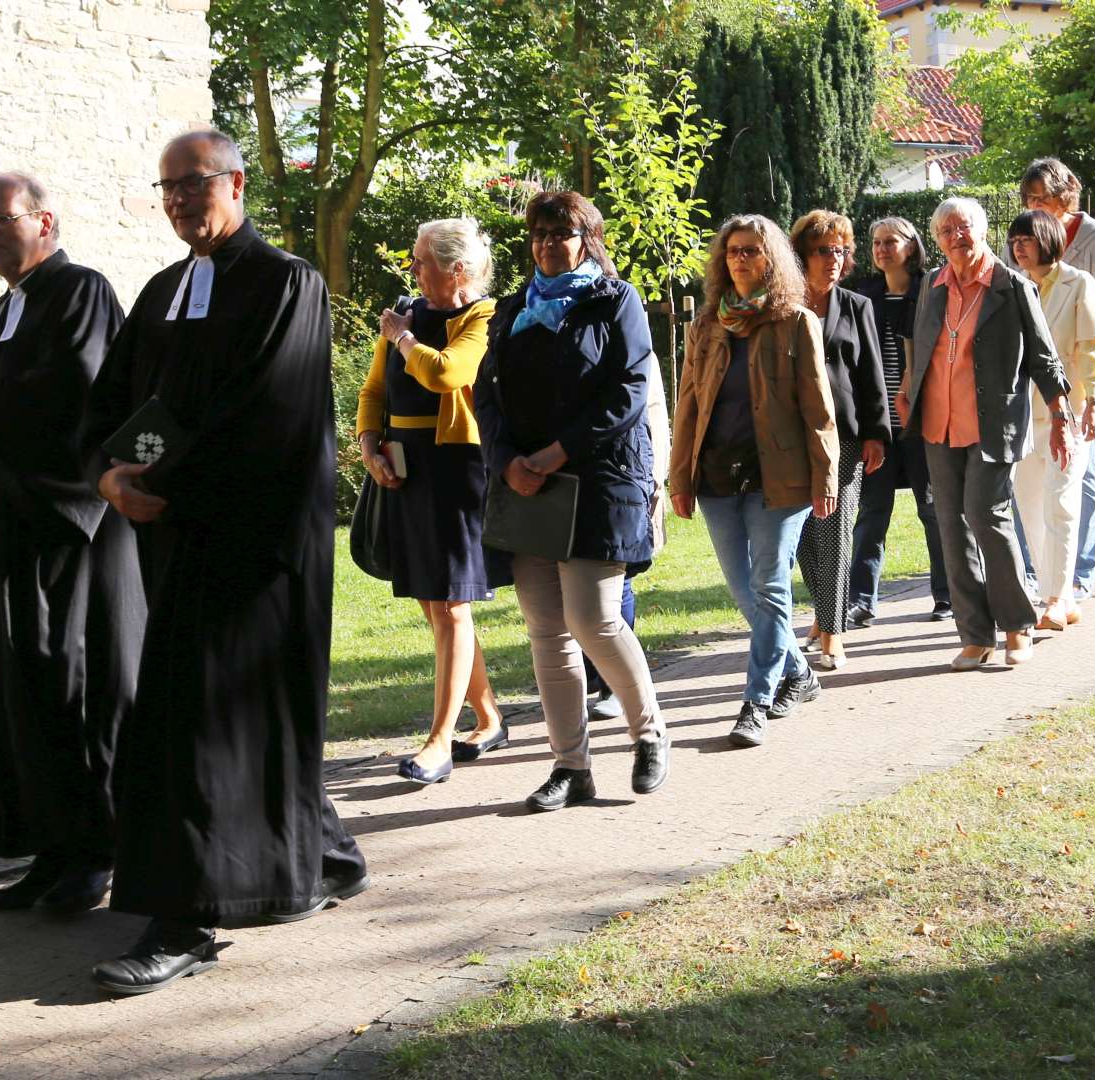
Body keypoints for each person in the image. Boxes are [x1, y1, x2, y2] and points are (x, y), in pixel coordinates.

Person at [86, 130, 368, 994]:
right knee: (220, 714)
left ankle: (189, 916)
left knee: (205, 721)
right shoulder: (166, 290)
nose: (177, 201)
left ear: (235, 182)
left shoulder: (289, 283)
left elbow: (262, 413)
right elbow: (130, 400)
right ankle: (317, 854)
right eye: (166, 188)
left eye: (192, 185)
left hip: (255, 543)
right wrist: (114, 472)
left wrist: (155, 476)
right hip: (174, 533)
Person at [0, 173, 142, 914]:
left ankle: (100, 850)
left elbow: (74, 387)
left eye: (3, 220)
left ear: (45, 220)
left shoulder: (80, 292)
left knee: (76, 684)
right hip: (9, 528)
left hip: (68, 531)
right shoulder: (5, 311)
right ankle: (53, 848)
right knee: (25, 689)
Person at [472, 190, 670, 812]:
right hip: (528, 486)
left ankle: (650, 734)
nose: (547, 244)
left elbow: (630, 389)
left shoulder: (615, 300)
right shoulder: (510, 311)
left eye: (561, 233)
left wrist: (556, 453)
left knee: (594, 619)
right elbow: (487, 395)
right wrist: (507, 462)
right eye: (538, 234)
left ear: (587, 238)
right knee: (546, 633)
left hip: (600, 479)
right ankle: (571, 767)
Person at [669, 214, 838, 748]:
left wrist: (826, 473)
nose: (741, 259)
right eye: (734, 251)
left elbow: (818, 408)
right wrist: (679, 477)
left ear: (772, 260)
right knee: (744, 589)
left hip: (779, 475)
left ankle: (756, 700)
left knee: (768, 585)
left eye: (752, 251)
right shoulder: (706, 325)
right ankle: (800, 673)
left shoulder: (795, 322)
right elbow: (688, 405)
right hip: (718, 473)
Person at [357, 218, 508, 785]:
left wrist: (402, 336)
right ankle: (489, 717)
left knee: (451, 605)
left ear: (457, 269)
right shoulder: (406, 311)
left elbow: (448, 373)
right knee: (434, 603)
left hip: (455, 470)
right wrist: (371, 446)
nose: (413, 269)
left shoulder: (482, 317)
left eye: (422, 260)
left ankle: (439, 741)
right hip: (403, 467)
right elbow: (375, 390)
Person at [896, 197, 1072, 670]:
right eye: (947, 230)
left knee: (986, 515)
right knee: (950, 527)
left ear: (983, 230)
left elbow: (1042, 356)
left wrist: (1061, 418)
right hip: (938, 422)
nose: (957, 237)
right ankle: (975, 634)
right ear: (936, 240)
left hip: (993, 426)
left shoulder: (1011, 286)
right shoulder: (932, 286)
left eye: (965, 227)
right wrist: (908, 390)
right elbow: (925, 347)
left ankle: (1017, 624)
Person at [1015, 158, 1095, 599]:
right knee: (1034, 497)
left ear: (1063, 195)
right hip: (1029, 405)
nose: (1035, 204)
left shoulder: (1094, 246)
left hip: (1078, 391)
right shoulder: (1020, 258)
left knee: (1076, 486)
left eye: (1041, 197)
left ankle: (1076, 577)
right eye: (1029, 198)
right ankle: (1049, 579)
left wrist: (1094, 395)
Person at [789, 211, 888, 669]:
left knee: (836, 532)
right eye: (823, 250)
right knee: (804, 534)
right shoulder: (783, 305)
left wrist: (876, 435)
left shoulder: (856, 306)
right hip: (790, 435)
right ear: (802, 255)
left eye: (840, 250)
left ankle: (832, 631)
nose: (833, 259)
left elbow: (871, 376)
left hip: (844, 436)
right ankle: (823, 613)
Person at [849, 216, 951, 625]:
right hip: (878, 426)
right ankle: (861, 599)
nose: (881, 248)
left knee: (933, 510)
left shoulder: (932, 290)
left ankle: (946, 595)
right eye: (876, 242)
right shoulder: (863, 296)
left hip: (923, 423)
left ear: (912, 246)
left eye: (890, 241)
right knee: (872, 512)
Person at [585, 351, 669, 724]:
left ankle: (613, 686)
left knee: (618, 577)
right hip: (573, 475)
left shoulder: (629, 334)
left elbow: (653, 408)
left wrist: (655, 476)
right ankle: (592, 676)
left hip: (625, 471)